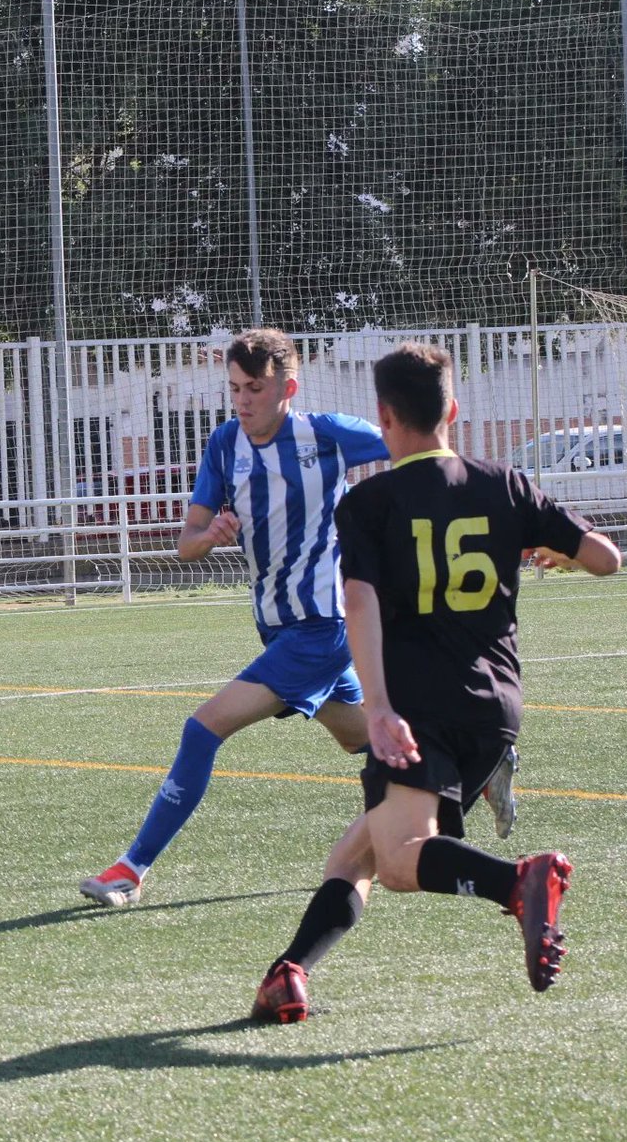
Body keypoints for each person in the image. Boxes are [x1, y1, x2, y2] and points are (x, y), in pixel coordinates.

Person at [251, 341, 621, 1023]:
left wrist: (378, 707)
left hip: (417, 708)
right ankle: (289, 973)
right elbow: (606, 558)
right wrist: (555, 549)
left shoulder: (370, 502)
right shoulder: (505, 484)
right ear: (452, 411)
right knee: (359, 851)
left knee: (399, 861)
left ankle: (519, 881)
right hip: (494, 710)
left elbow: (359, 602)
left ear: (385, 418)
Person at [79, 326, 392, 907]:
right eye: (235, 388)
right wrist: (211, 534)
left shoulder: (326, 435)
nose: (243, 401)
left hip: (322, 626)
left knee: (203, 729)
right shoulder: (225, 444)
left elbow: (418, 447)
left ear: (287, 388)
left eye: (255, 388)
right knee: (366, 740)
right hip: (277, 626)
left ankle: (131, 870)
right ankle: (469, 762)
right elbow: (187, 544)